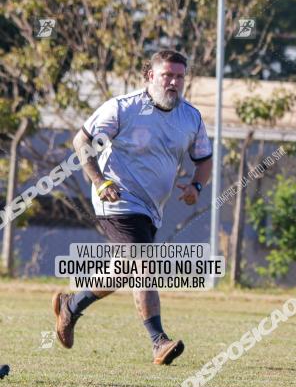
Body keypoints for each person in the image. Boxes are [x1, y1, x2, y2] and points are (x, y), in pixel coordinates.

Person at [52, 50, 213, 365]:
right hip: (116, 198)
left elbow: (204, 159)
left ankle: (72, 305)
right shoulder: (122, 108)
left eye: (179, 76)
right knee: (144, 264)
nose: (174, 82)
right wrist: (99, 180)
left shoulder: (190, 117)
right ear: (150, 76)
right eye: (167, 75)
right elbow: (80, 142)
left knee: (123, 269)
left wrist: (196, 187)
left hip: (152, 209)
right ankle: (158, 341)